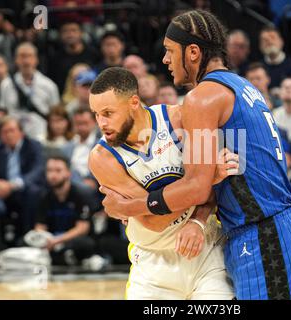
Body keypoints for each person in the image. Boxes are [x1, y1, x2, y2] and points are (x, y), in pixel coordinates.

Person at [98, 10, 291, 300]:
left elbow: (196, 187)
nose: (165, 60)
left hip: (264, 234)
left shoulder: (201, 98)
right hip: (268, 230)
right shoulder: (242, 86)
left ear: (193, 52)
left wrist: (129, 207)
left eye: (170, 51)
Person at [88, 67, 235, 300]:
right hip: (152, 263)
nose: (101, 123)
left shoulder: (179, 119)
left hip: (205, 248)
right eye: (95, 114)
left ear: (134, 102)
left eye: (108, 112)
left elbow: (217, 188)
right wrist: (202, 183)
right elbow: (155, 220)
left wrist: (196, 219)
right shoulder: (102, 157)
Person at [31, 156, 96, 266]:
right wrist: (43, 239)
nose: (53, 175)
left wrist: (58, 240)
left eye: (58, 170)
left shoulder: (81, 194)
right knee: (25, 242)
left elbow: (82, 228)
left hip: (69, 239)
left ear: (68, 173)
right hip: (51, 240)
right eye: (49, 170)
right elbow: (40, 226)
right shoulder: (43, 196)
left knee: (85, 243)